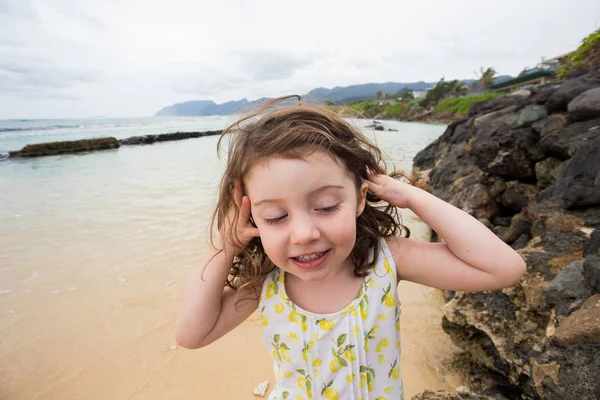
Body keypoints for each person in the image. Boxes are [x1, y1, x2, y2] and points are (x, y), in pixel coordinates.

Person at [175, 96, 526, 400]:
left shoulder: (387, 261)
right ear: (253, 219)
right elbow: (192, 335)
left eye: (326, 206)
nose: (303, 234)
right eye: (275, 216)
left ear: (359, 199)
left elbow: (504, 269)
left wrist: (411, 196)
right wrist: (226, 244)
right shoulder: (266, 285)